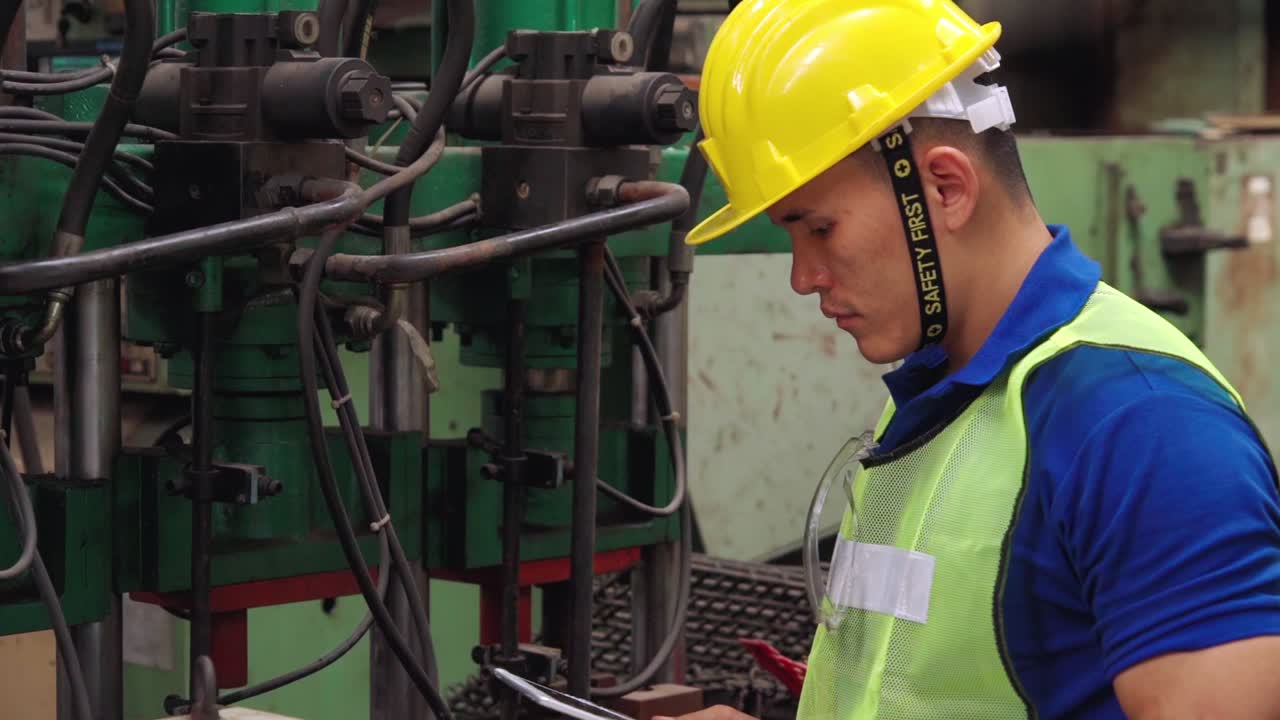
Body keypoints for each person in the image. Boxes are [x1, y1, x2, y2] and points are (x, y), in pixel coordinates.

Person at [658, 1, 1280, 719]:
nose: (803, 276)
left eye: (820, 228)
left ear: (945, 188)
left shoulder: (1140, 426)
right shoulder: (947, 391)